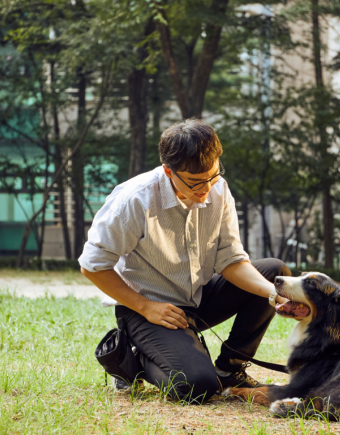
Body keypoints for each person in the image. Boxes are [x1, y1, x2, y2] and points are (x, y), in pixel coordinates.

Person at [78, 119, 292, 404]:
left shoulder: (218, 189)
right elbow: (92, 265)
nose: (206, 189)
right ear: (169, 171)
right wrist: (146, 307)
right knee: (198, 387)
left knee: (275, 273)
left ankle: (231, 369)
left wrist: (275, 295)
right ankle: (133, 358)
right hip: (147, 308)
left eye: (213, 176)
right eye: (195, 182)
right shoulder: (135, 200)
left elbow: (230, 260)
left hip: (197, 297)